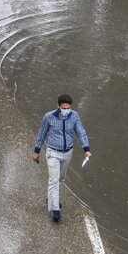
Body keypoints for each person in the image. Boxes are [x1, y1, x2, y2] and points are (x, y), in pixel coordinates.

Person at [32, 94, 91, 222]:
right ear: (58, 106)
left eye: (68, 108)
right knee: (53, 180)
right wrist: (36, 151)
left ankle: (52, 198)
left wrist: (86, 149)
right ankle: (55, 209)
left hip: (67, 153)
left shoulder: (74, 116)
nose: (66, 110)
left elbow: (80, 132)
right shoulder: (49, 117)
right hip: (53, 152)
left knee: (61, 179)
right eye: (64, 108)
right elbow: (41, 134)